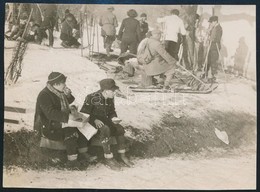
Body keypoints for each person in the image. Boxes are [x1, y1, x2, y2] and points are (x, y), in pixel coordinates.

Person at [34, 72, 97, 168]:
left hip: (59, 121)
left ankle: (83, 153)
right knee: (71, 131)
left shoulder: (58, 92)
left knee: (84, 126)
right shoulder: (44, 95)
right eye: (63, 83)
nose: (65, 85)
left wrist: (68, 97)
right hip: (49, 124)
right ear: (55, 84)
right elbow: (50, 113)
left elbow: (68, 102)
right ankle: (72, 161)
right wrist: (68, 117)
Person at [80, 78, 134, 170]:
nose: (114, 92)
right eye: (113, 91)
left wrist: (114, 118)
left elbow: (112, 111)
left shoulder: (110, 98)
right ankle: (108, 158)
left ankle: (122, 155)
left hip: (105, 121)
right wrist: (95, 120)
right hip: (91, 123)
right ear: (105, 91)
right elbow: (84, 113)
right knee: (105, 129)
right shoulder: (91, 97)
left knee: (120, 129)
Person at [205, 16, 223, 82]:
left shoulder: (219, 28)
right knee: (208, 60)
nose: (211, 23)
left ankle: (213, 76)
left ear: (215, 21)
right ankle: (206, 74)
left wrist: (211, 39)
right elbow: (211, 35)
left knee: (213, 61)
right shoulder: (214, 27)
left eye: (211, 22)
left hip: (215, 47)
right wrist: (209, 32)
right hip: (211, 46)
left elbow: (217, 38)